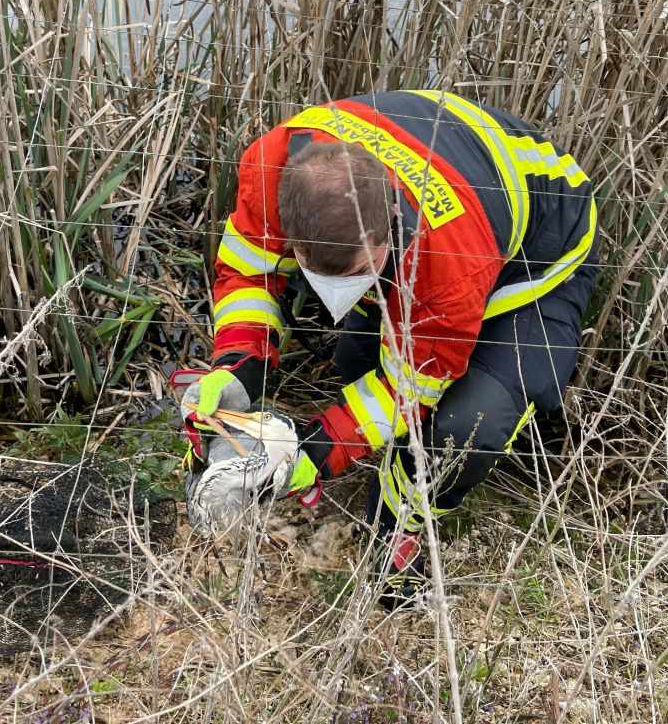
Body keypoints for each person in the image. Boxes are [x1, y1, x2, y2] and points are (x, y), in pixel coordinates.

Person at [182, 90, 598, 609]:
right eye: (307, 265)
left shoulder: (447, 256)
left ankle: (400, 522)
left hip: (540, 247)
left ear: (391, 227)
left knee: (471, 422)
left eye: (357, 273)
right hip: (440, 158)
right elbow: (249, 273)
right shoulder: (271, 165)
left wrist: (314, 451)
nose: (332, 290)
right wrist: (236, 367)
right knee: (357, 363)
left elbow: (412, 385)